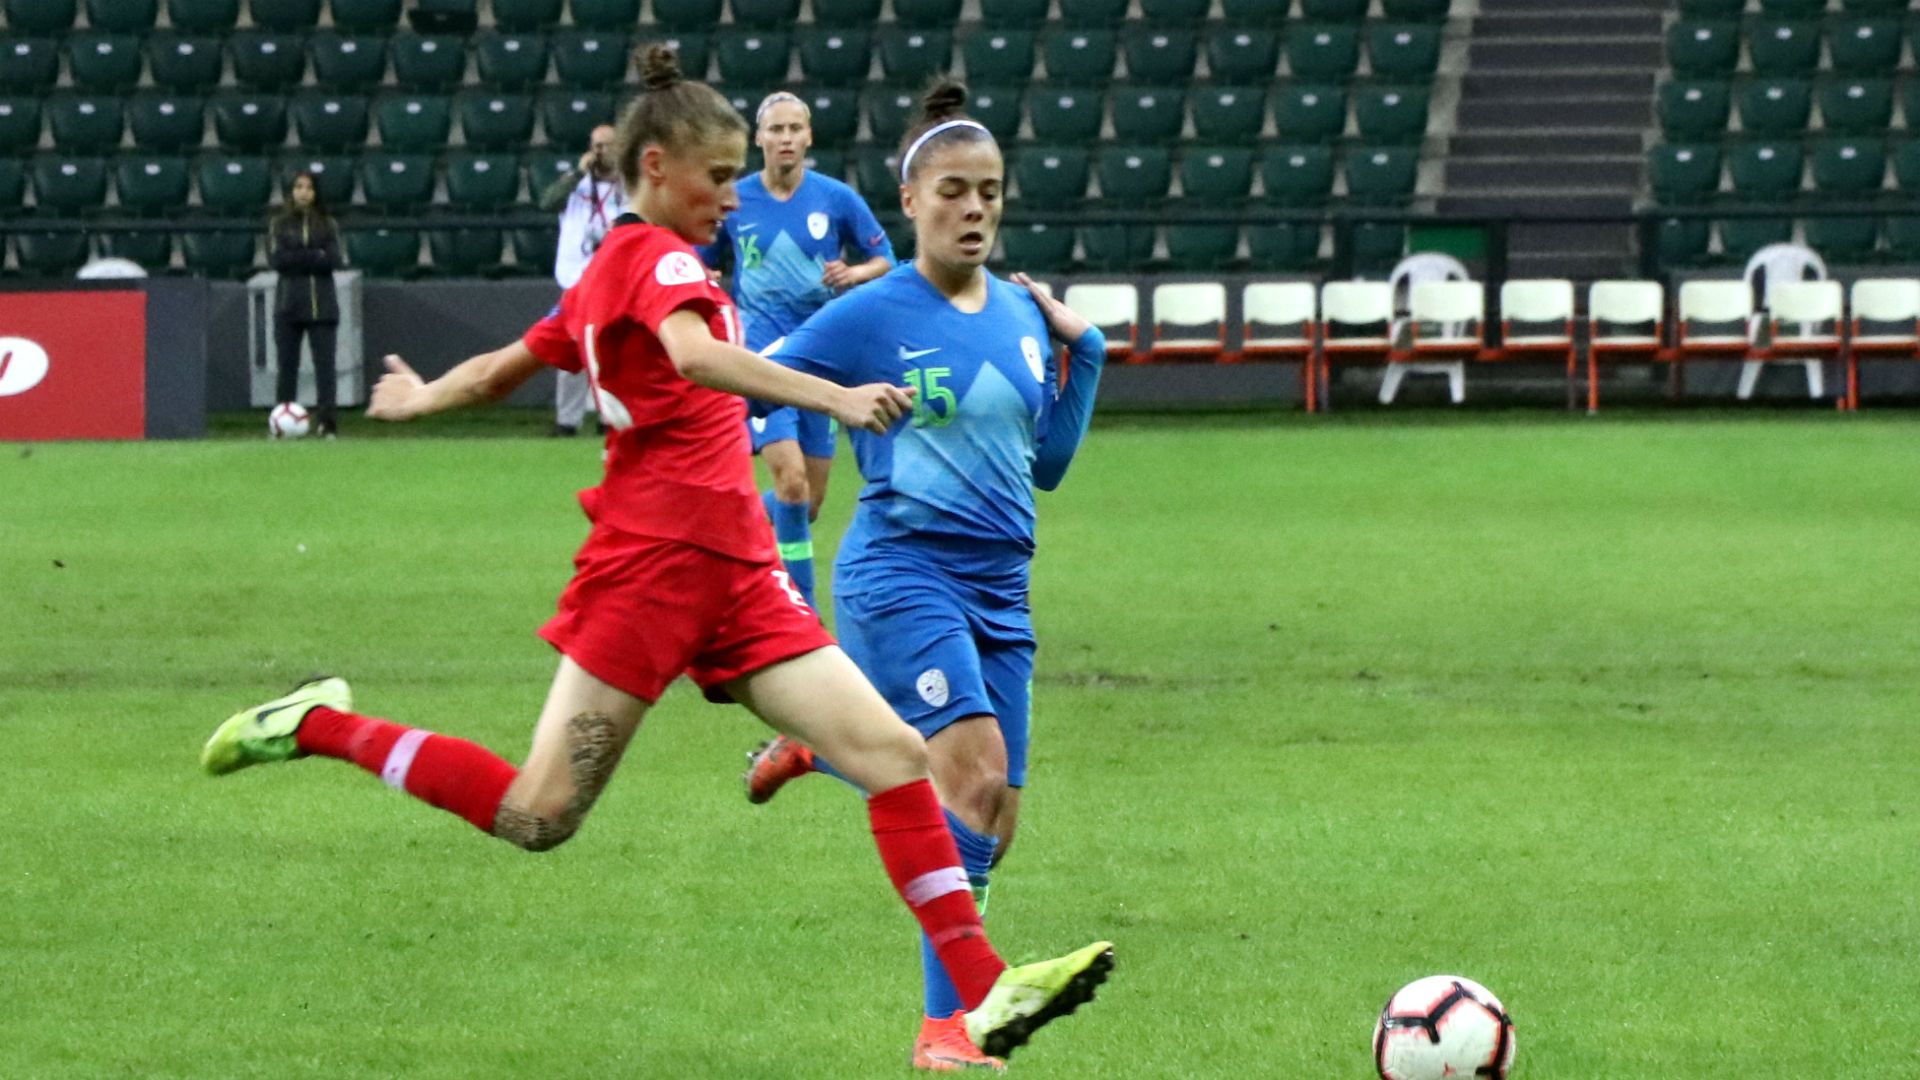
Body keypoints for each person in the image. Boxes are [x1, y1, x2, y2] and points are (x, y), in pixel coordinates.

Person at [197, 47, 1111, 1062]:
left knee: (898, 759)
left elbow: (504, 369)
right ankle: (316, 723)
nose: (732, 197)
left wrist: (422, 397)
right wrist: (839, 399)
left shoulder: (608, 276)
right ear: (656, 167)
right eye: (717, 177)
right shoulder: (656, 258)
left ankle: (976, 999)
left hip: (740, 579)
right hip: (654, 574)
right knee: (538, 815)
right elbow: (695, 355)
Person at [739, 77, 1108, 1072]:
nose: (975, 209)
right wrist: (808, 416)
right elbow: (756, 374)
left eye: (990, 191)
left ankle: (829, 749)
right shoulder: (873, 310)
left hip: (1002, 588)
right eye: (953, 191)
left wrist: (1088, 355)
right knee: (972, 778)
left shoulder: (1022, 315)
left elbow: (1046, 466)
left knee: (995, 816)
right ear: (909, 202)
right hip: (902, 572)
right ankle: (948, 1031)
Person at [698, 91, 894, 609]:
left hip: (819, 361)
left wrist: (855, 272)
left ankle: (717, 529)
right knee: (790, 484)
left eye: (794, 129)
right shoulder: (736, 200)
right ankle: (799, 611)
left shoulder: (835, 198)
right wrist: (705, 277)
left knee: (807, 503)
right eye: (776, 129)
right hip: (761, 360)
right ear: (759, 138)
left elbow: (886, 259)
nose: (785, 138)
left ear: (809, 137)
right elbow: (700, 257)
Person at [538, 123, 627, 437]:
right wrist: (577, 174)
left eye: (608, 145)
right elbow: (547, 202)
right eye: (596, 145)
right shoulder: (576, 185)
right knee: (571, 351)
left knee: (612, 351)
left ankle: (610, 417)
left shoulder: (629, 185)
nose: (602, 152)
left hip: (613, 279)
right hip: (576, 279)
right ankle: (567, 420)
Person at [268, 171, 343, 437]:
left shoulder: (328, 224)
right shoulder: (279, 224)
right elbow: (279, 261)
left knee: (325, 369)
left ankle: (328, 424)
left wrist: (299, 257)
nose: (303, 192)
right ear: (291, 191)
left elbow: (333, 260)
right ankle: (282, 424)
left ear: (316, 193)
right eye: (298, 187)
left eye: (309, 187)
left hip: (322, 306)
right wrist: (314, 255)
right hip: (288, 307)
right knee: (287, 368)